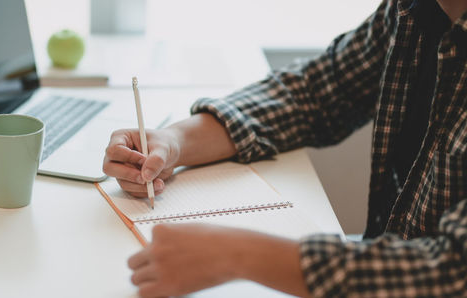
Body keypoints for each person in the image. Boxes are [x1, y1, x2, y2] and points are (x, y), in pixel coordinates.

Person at [102, 0, 467, 296]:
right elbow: (314, 91)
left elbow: (452, 270)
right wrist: (174, 142)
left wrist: (236, 254)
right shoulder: (411, 10)